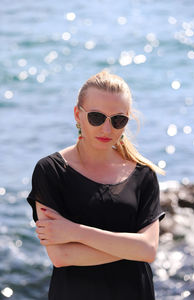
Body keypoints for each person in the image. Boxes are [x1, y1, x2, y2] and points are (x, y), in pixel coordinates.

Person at [27, 70, 165, 300]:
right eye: (96, 117)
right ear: (77, 115)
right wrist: (130, 247)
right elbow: (62, 256)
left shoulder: (144, 175)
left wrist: (75, 232)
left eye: (118, 120)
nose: (107, 129)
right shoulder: (50, 171)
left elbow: (148, 251)